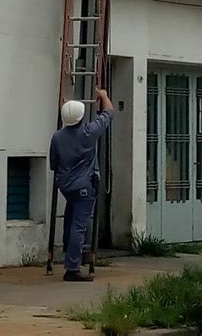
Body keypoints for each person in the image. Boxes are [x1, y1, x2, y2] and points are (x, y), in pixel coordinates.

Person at [49, 88, 114, 282]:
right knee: (79, 226)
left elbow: (54, 163)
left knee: (69, 222)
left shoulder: (57, 137)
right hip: (85, 187)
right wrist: (103, 95)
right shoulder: (89, 132)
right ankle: (72, 268)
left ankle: (69, 254)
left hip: (65, 186)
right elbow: (109, 113)